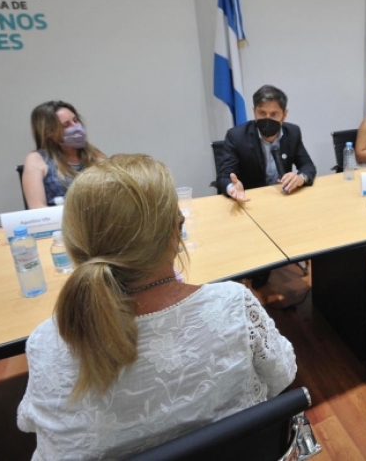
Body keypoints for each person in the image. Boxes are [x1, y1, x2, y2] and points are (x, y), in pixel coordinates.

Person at [17, 154, 296, 460]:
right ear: (176, 232)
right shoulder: (232, 305)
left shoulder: (46, 342)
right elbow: (282, 375)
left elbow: (29, 424)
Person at [216, 85, 316, 202]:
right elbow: (223, 176)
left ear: (284, 115)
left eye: (274, 114)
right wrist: (232, 188)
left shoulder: (293, 132)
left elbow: (307, 166)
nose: (267, 119)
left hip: (283, 197)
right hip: (250, 199)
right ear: (254, 112)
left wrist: (300, 178)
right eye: (262, 113)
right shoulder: (236, 136)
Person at [22, 100, 105, 208]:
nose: (76, 127)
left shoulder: (93, 153)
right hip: (61, 217)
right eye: (66, 125)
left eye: (75, 120)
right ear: (49, 132)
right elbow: (37, 207)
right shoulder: (36, 159)